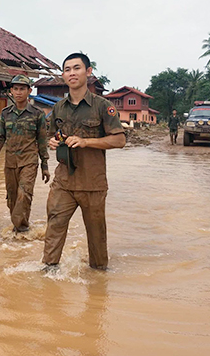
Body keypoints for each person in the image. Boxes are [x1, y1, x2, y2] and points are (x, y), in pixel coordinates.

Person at [42, 53, 126, 271]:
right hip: (64, 181)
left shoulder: (102, 106)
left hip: (93, 184)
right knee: (54, 225)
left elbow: (119, 140)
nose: (72, 73)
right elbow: (49, 134)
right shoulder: (59, 108)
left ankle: (99, 282)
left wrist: (86, 142)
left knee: (97, 236)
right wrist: (52, 141)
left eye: (77, 68)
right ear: (63, 75)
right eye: (67, 69)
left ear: (88, 72)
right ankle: (49, 271)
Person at [0, 74, 50, 233]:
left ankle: (21, 230)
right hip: (10, 163)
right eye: (15, 89)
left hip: (29, 161)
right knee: (12, 199)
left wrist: (45, 166)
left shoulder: (37, 114)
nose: (18, 92)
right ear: (11, 91)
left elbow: (42, 141)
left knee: (24, 195)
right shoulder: (5, 114)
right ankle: (20, 228)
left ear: (29, 91)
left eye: (22, 89)